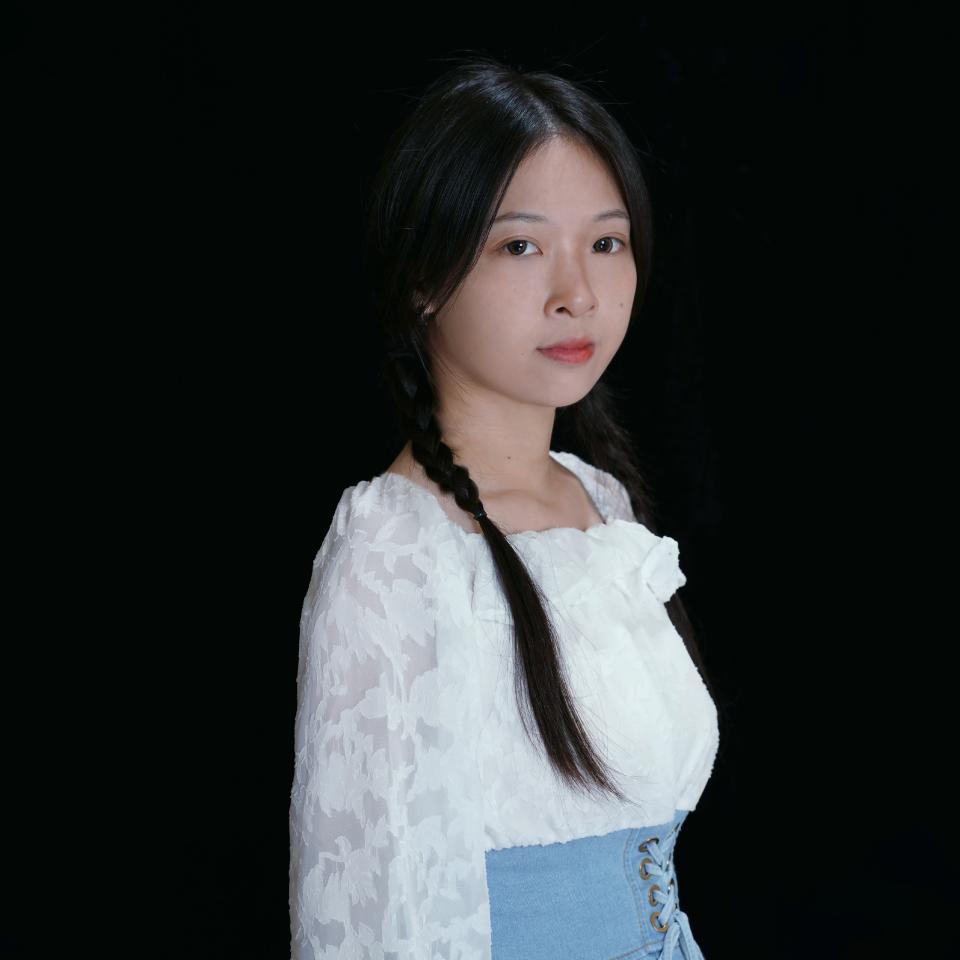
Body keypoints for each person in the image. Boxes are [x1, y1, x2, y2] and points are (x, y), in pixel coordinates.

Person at [289, 55, 721, 960]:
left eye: (606, 243)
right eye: (520, 246)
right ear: (424, 274)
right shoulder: (396, 546)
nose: (578, 294)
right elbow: (372, 915)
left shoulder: (598, 500)